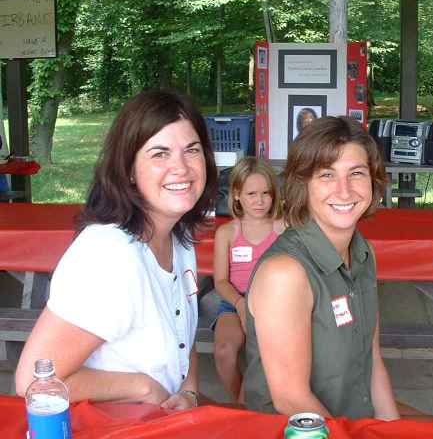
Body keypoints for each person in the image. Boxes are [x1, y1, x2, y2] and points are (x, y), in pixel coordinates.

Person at [15, 89, 217, 410]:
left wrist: (190, 393)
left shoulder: (178, 237)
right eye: (160, 154)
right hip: (109, 426)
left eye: (191, 150)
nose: (181, 167)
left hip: (163, 421)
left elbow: (182, 328)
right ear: (129, 170)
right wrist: (143, 387)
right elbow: (32, 384)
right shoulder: (109, 255)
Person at [243, 116, 399, 420]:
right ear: (303, 185)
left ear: (373, 180)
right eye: (327, 175)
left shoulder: (363, 252)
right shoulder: (285, 274)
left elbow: (372, 361)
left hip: (355, 424)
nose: (344, 191)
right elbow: (291, 399)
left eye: (356, 173)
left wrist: (392, 430)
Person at [212, 157, 285, 403]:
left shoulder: (282, 228)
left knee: (261, 353)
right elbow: (221, 281)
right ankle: (241, 404)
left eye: (266, 193)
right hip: (234, 301)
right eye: (251, 194)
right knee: (224, 352)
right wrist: (240, 304)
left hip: (272, 303)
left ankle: (250, 404)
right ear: (236, 195)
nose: (260, 201)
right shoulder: (227, 232)